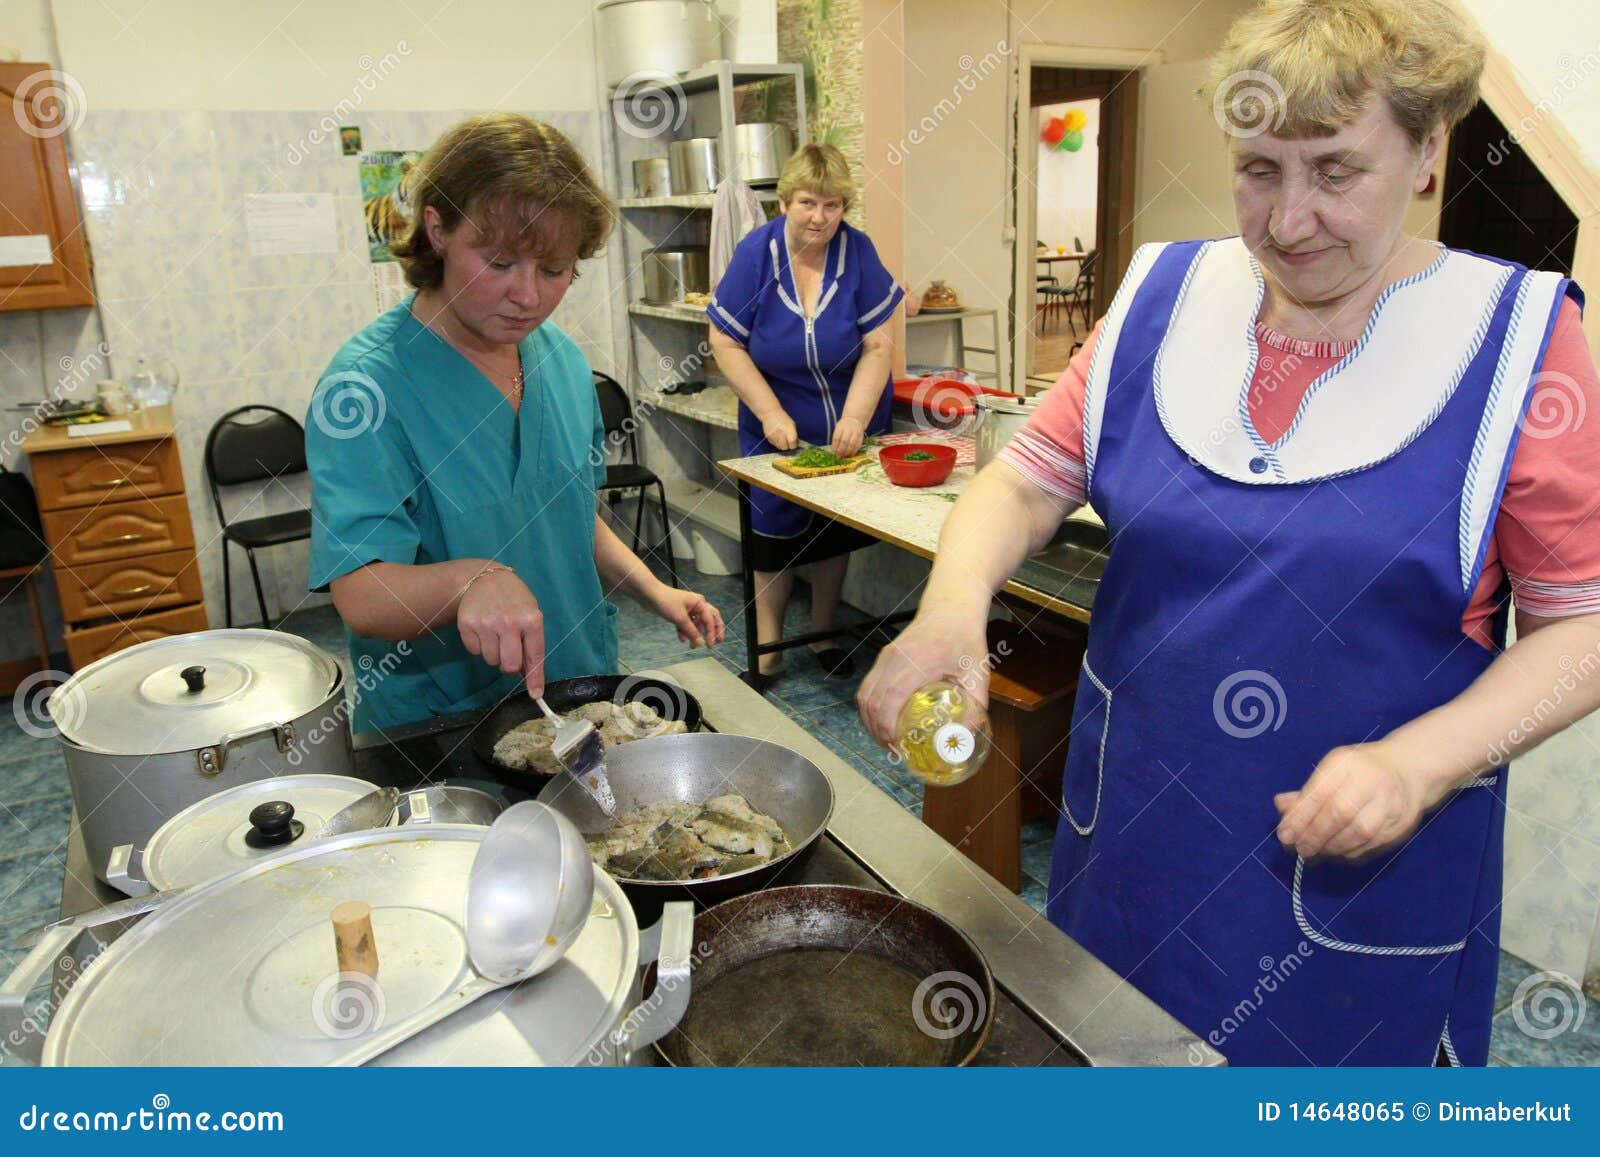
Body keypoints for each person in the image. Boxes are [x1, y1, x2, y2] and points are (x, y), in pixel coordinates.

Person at [859, 0, 1599, 1066]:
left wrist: (1420, 762)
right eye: (1257, 168)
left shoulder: (1520, 341)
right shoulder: (1164, 296)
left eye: (1336, 171)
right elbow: (1025, 476)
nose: (1288, 220)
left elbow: (1578, 625)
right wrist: (947, 612)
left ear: (1428, 147)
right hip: (1133, 850)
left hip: (1361, 884)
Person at [306, 114, 723, 735]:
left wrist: (651, 589)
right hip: (444, 722)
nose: (527, 296)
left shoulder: (559, 360)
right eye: (499, 262)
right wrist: (472, 581)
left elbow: (569, 514)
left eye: (553, 271)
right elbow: (363, 595)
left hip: (578, 691)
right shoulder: (367, 388)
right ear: (438, 228)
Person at [708, 144, 903, 678]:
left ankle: (823, 637)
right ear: (784, 202)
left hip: (847, 419)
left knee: (830, 533)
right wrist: (769, 411)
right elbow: (724, 341)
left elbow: (879, 346)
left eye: (833, 205)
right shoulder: (756, 255)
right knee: (772, 535)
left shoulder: (858, 252)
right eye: (807, 203)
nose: (819, 217)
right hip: (776, 420)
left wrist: (857, 418)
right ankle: (768, 653)